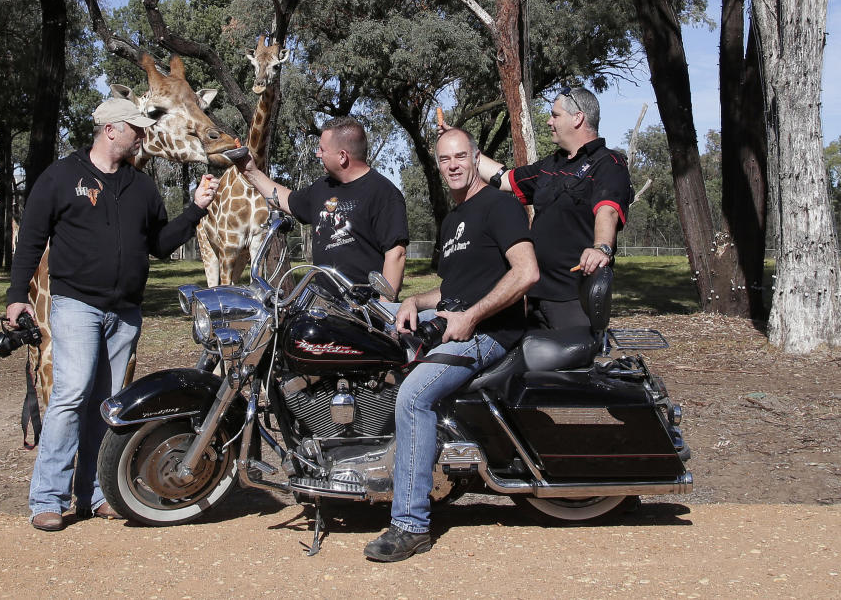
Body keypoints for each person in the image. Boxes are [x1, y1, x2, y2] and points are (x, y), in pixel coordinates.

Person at [5, 97, 218, 531]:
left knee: (107, 405)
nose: (142, 135)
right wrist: (16, 295)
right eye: (135, 128)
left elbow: (159, 245)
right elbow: (30, 238)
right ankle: (47, 497)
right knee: (71, 395)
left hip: (125, 312)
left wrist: (195, 207)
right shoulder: (62, 177)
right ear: (110, 130)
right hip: (76, 304)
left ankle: (96, 493)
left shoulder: (141, 186)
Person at [363, 128, 539, 562]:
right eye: (445, 159)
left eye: (462, 156)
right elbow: (451, 290)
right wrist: (411, 301)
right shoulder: (453, 219)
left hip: (489, 333)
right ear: (438, 165)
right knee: (372, 342)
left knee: (413, 397)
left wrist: (472, 317)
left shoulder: (500, 206)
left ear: (476, 159)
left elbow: (526, 272)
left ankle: (410, 524)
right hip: (453, 320)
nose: (454, 164)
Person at [448, 86, 633, 329]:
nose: (549, 121)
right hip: (535, 296)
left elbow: (606, 210)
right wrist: (465, 150)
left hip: (573, 298)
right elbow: (505, 179)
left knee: (572, 366)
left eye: (555, 115)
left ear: (578, 118)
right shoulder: (551, 165)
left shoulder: (608, 163)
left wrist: (601, 248)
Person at [241, 116, 408, 297]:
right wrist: (250, 171)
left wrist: (385, 309)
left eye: (322, 149)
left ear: (342, 156)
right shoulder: (323, 186)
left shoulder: (383, 193)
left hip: (367, 312)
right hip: (327, 306)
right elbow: (285, 199)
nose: (318, 154)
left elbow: (396, 254)